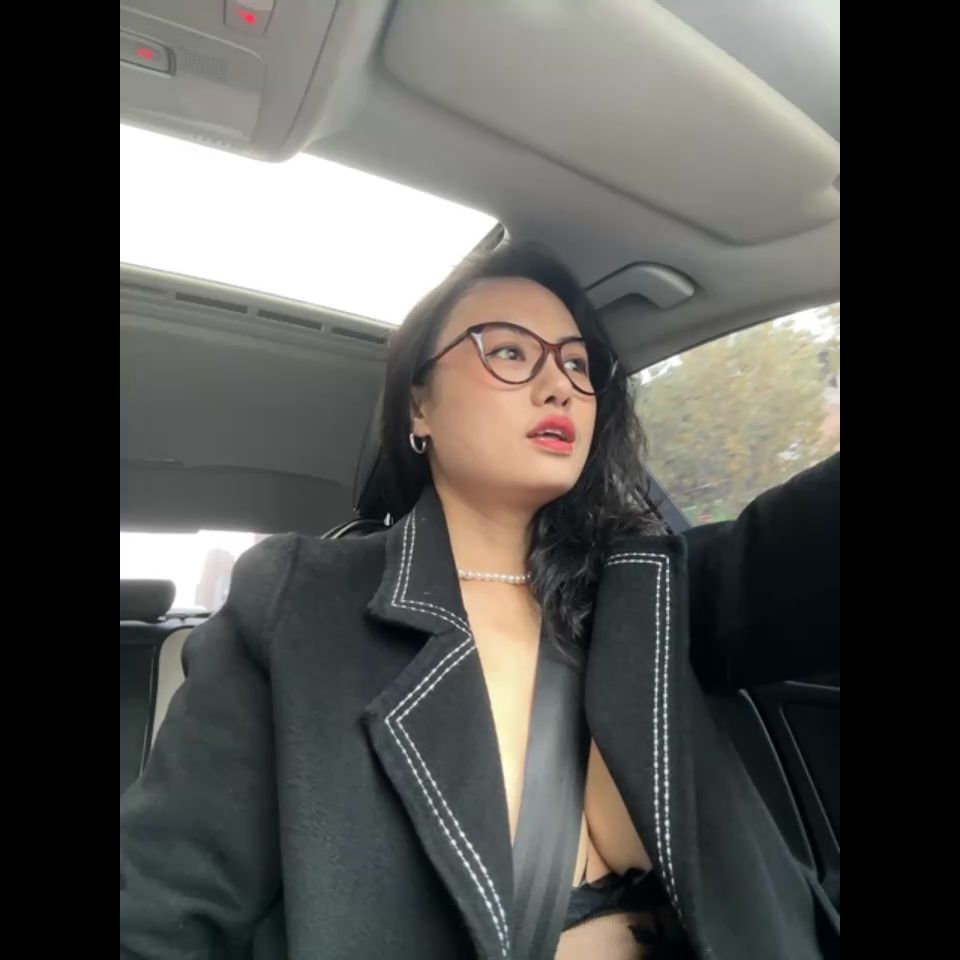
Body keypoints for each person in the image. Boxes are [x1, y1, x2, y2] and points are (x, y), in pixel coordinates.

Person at [120, 244, 840, 959]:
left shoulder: (646, 586)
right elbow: (165, 907)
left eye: (577, 364)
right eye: (508, 351)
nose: (559, 385)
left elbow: (801, 545)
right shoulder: (301, 602)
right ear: (419, 405)